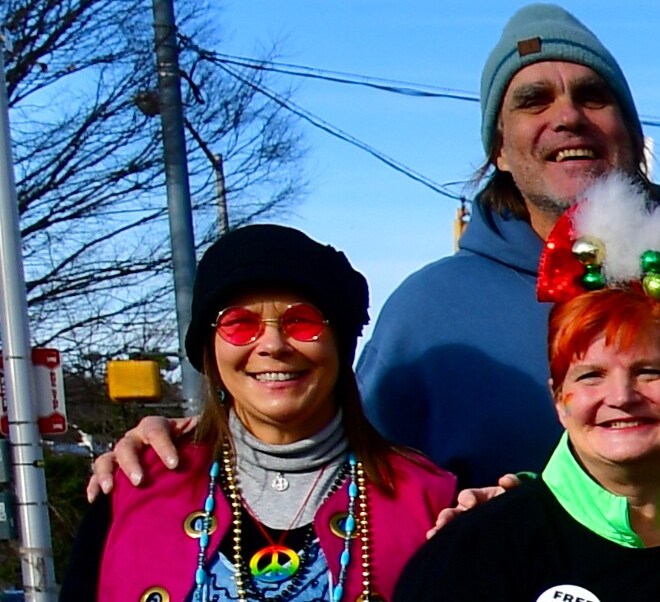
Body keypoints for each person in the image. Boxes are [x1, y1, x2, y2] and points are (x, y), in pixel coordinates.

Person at [89, 4, 660, 493]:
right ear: (499, 150)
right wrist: (191, 448)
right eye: (533, 100)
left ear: (629, 131)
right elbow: (313, 457)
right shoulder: (430, 315)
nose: (568, 115)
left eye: (594, 96)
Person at [399, 181, 660, 601]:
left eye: (649, 372)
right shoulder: (475, 554)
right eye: (591, 375)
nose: (622, 396)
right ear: (558, 400)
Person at [61, 225, 459, 602]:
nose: (273, 345)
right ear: (210, 350)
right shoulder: (135, 486)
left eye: (301, 322)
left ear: (340, 344)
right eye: (239, 324)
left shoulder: (431, 501)